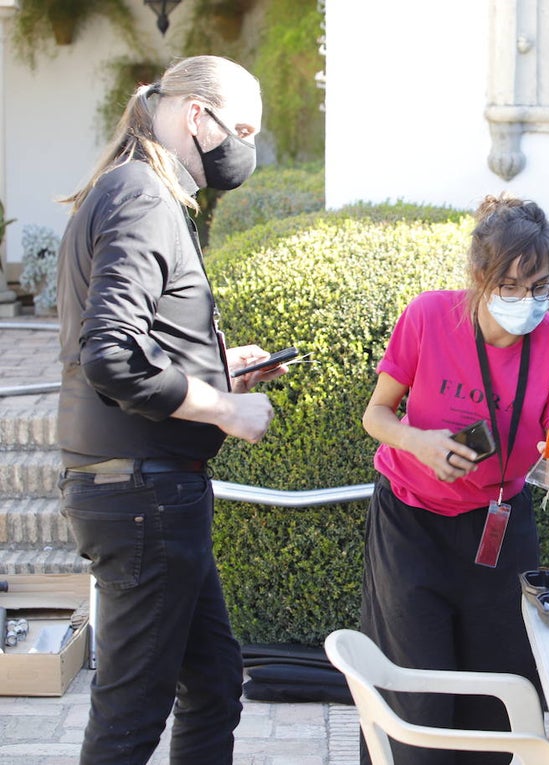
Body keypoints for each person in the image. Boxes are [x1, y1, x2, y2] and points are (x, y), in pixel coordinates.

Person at [55, 56, 282, 764]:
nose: (243, 148)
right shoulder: (142, 195)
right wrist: (223, 408)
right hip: (143, 493)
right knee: (129, 715)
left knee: (213, 681)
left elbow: (136, 340)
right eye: (240, 129)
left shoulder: (130, 190)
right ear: (196, 116)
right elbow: (111, 355)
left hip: (146, 488)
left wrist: (217, 365)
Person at [360, 195, 549, 765]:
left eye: (541, 287)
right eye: (511, 287)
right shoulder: (428, 316)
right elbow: (377, 416)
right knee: (416, 692)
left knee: (498, 684)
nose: (527, 302)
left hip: (500, 524)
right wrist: (422, 444)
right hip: (409, 519)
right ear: (478, 278)